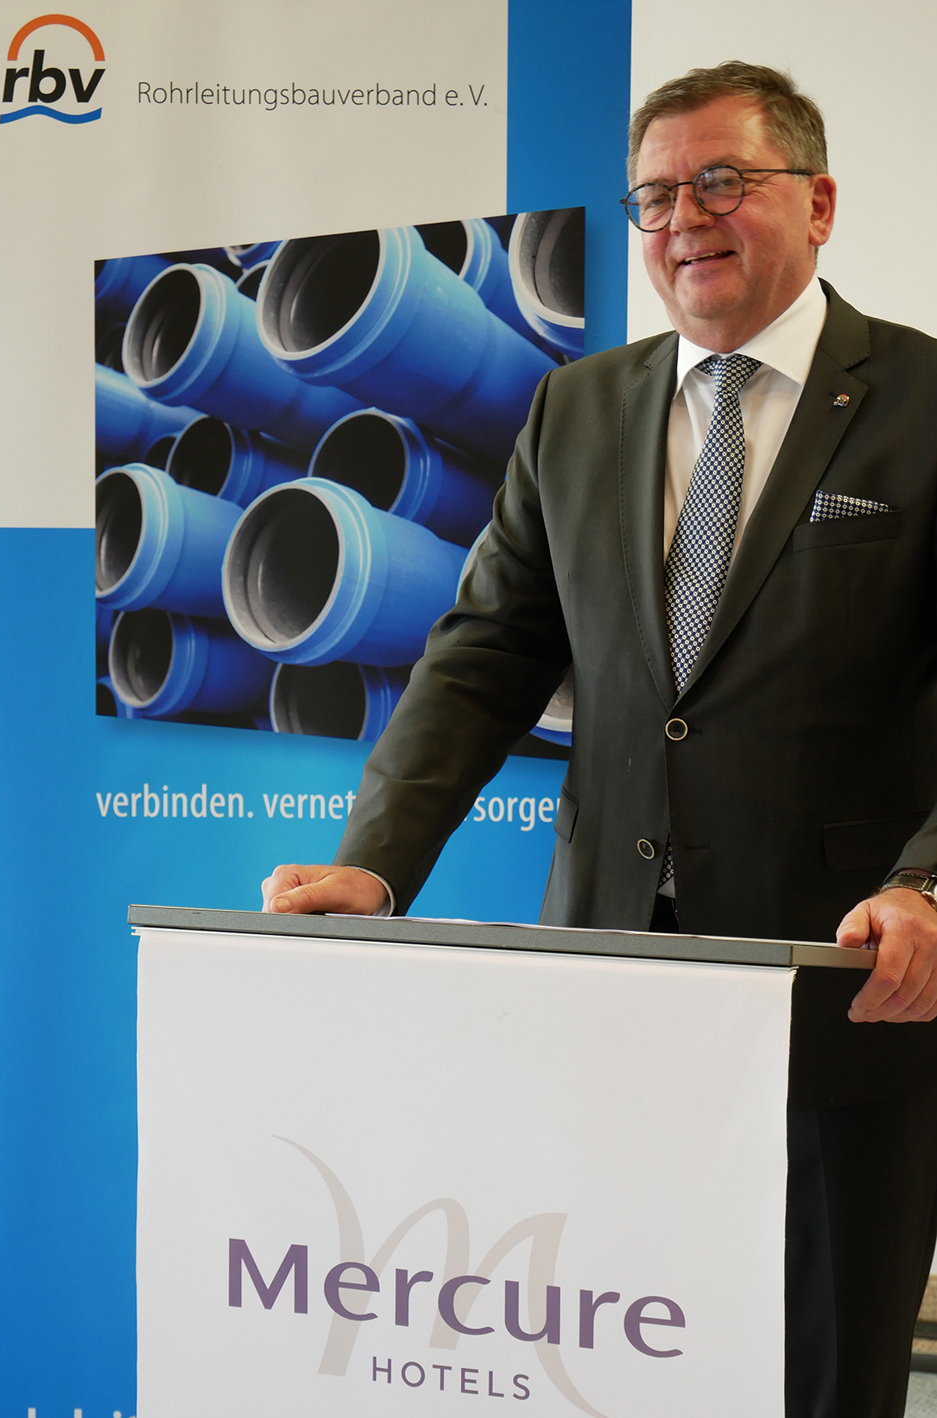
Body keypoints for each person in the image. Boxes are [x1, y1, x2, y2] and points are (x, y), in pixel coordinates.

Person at [262, 62, 937, 1418]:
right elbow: (483, 656)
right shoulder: (576, 408)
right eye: (653, 197)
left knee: (820, 1376)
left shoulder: (925, 399)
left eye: (720, 181)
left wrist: (929, 881)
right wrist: (376, 860)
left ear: (817, 204)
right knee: (602, 1362)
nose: (682, 218)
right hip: (606, 989)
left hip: (844, 988)